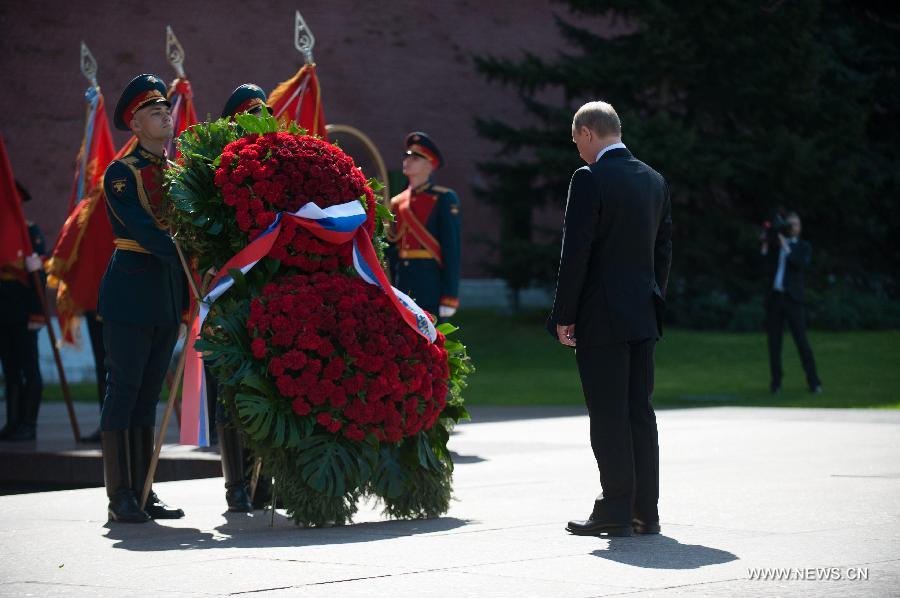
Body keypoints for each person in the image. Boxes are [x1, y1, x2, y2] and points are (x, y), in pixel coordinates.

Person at [547, 101, 672, 537]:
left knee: (608, 413)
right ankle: (645, 511)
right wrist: (652, 300)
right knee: (640, 410)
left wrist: (564, 314)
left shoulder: (589, 178)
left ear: (586, 132)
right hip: (642, 314)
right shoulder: (653, 180)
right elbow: (663, 254)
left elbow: (575, 252)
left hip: (601, 315)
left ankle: (615, 508)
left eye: (575, 140)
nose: (576, 150)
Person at [98, 74, 187, 523]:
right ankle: (121, 496)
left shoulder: (177, 173)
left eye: (165, 109)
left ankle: (144, 488)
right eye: (153, 111)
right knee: (125, 389)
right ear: (134, 124)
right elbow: (144, 230)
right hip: (131, 291)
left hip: (166, 294)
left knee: (149, 393)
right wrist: (188, 254)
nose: (164, 116)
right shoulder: (121, 172)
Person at [387, 132, 461, 319]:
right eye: (407, 156)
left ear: (430, 165)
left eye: (416, 157)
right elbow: (393, 247)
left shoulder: (443, 198)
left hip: (430, 282)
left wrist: (450, 295)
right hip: (402, 281)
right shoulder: (397, 202)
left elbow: (451, 249)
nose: (408, 160)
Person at [0, 181, 47, 441]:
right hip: (4, 311)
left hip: (26, 311)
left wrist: (38, 314)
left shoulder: (30, 232)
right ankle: (13, 421)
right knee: (10, 369)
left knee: (30, 368)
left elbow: (40, 276)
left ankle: (29, 423)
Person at [760, 211, 822, 394]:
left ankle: (814, 382)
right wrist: (765, 242)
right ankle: (776, 383)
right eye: (790, 224)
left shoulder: (803, 246)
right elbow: (762, 266)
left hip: (793, 300)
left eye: (795, 224)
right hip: (775, 299)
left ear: (800, 227)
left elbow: (800, 264)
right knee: (774, 344)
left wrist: (785, 246)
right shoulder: (775, 246)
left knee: (802, 341)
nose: (792, 226)